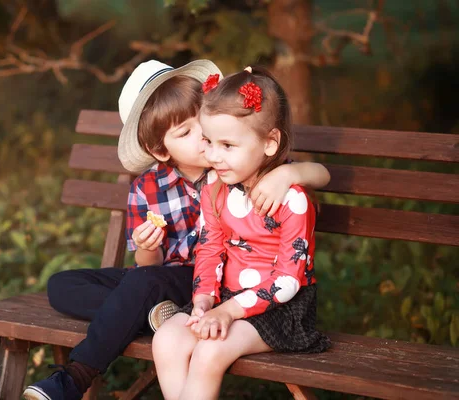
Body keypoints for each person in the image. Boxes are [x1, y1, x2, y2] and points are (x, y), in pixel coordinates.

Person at [23, 60, 330, 400]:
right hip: (187, 285)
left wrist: (288, 174)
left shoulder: (250, 173)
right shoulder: (165, 186)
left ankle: (86, 364)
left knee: (151, 295)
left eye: (204, 128)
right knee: (68, 287)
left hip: (238, 294)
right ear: (159, 150)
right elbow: (166, 259)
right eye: (191, 134)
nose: (206, 145)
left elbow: (310, 181)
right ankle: (143, 313)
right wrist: (151, 250)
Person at [152, 65, 331, 400]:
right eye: (208, 141)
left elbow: (287, 282)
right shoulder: (215, 189)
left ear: (269, 143)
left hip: (281, 311)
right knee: (167, 339)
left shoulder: (292, 200)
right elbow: (209, 248)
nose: (213, 155)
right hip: (226, 300)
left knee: (210, 352)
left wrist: (227, 312)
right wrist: (204, 299)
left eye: (228, 145)